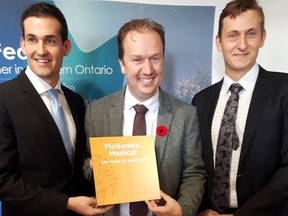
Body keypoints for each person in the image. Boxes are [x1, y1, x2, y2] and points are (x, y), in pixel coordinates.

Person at [83, 18, 206, 216]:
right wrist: (92, 165)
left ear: (163, 59)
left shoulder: (186, 115)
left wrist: (182, 210)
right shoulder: (97, 111)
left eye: (155, 58)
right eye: (137, 59)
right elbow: (85, 161)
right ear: (122, 64)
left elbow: (195, 173)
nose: (148, 70)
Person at [0, 3, 112, 216]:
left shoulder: (76, 101)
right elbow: (3, 181)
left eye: (50, 40)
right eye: (32, 39)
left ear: (66, 47)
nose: (40, 50)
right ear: (23, 44)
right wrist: (67, 203)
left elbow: (75, 166)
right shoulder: (3, 98)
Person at [192, 0, 288, 215]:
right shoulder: (201, 100)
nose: (242, 44)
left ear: (262, 38)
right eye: (233, 35)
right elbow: (196, 168)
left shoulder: (284, 90)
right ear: (219, 42)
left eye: (251, 34)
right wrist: (204, 209)